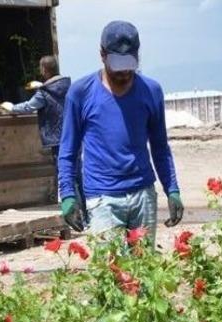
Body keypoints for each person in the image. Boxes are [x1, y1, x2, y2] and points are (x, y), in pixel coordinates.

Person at [57, 21, 183, 243]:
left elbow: (160, 147)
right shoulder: (80, 93)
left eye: (129, 65)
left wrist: (172, 189)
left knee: (145, 272)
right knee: (110, 272)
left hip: (143, 194)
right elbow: (68, 151)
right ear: (102, 55)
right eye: (118, 65)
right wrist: (67, 196)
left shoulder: (151, 91)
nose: (124, 73)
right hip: (102, 198)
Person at [0, 55, 73, 200]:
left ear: (44, 70)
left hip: (56, 138)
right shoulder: (69, 86)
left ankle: (69, 205)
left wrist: (12, 107)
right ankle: (81, 207)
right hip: (72, 134)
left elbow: (29, 106)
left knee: (63, 171)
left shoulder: (44, 93)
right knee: (75, 171)